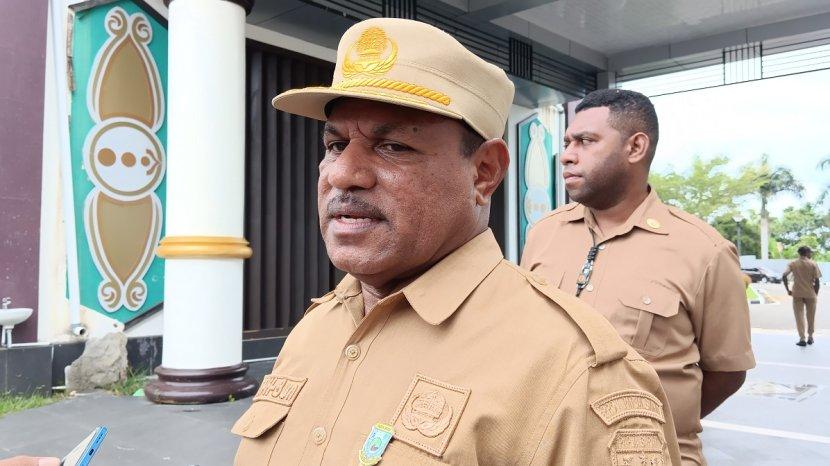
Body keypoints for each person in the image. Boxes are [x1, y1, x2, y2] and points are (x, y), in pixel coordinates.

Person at [232, 19, 681, 465]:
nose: (343, 173)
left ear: (484, 173)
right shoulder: (317, 327)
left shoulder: (576, 373)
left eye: (393, 147)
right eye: (335, 145)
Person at [521, 89, 755, 465]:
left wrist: (646, 428)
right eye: (567, 142)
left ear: (635, 147)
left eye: (586, 141)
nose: (567, 155)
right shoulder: (544, 234)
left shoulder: (704, 251)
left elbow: (728, 372)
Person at [783, 246, 822, 346]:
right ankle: (810, 337)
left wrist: (788, 290)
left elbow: (784, 275)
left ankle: (802, 339)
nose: (811, 254)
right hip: (810, 294)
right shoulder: (813, 264)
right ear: (807, 253)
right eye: (810, 252)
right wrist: (815, 293)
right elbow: (817, 281)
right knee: (811, 316)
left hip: (797, 294)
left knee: (799, 317)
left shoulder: (793, 263)